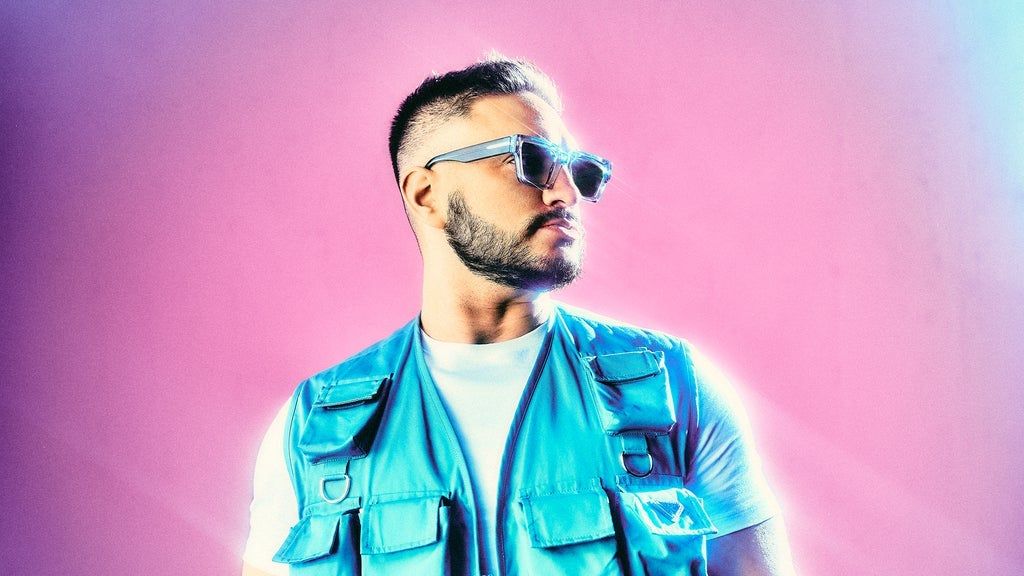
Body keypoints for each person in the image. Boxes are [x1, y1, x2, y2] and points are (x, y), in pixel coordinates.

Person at [242, 55, 796, 576]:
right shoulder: (313, 428)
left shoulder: (675, 389)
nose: (566, 193)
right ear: (427, 193)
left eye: (578, 171)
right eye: (530, 161)